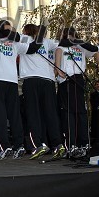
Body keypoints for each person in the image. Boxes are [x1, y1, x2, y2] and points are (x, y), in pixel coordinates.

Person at [0, 20, 46, 160]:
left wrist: (41, 32)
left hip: (9, 81)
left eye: (11, 30)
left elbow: (32, 48)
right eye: (8, 29)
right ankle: (7, 146)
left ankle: (17, 146)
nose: (11, 32)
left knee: (13, 115)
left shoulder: (15, 44)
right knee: (3, 115)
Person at [18, 23, 65, 160]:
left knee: (33, 114)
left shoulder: (23, 38)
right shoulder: (46, 41)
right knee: (51, 114)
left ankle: (38, 145)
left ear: (26, 30)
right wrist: (57, 66)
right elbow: (60, 46)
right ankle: (58, 144)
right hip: (48, 81)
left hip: (31, 80)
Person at [55, 27, 98, 159]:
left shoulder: (81, 47)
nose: (71, 38)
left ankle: (84, 144)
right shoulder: (60, 48)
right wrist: (60, 73)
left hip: (79, 79)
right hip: (67, 81)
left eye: (72, 35)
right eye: (68, 35)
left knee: (81, 113)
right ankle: (71, 145)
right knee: (69, 114)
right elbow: (56, 68)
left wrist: (80, 42)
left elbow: (95, 51)